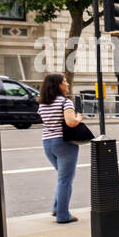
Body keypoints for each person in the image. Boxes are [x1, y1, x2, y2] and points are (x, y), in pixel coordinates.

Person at [37, 73, 84, 224]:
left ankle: (57, 207)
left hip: (47, 143)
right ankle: (63, 215)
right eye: (64, 82)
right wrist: (79, 118)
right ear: (57, 85)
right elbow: (70, 123)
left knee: (62, 178)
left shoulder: (43, 103)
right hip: (64, 144)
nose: (67, 84)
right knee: (66, 180)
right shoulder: (65, 102)